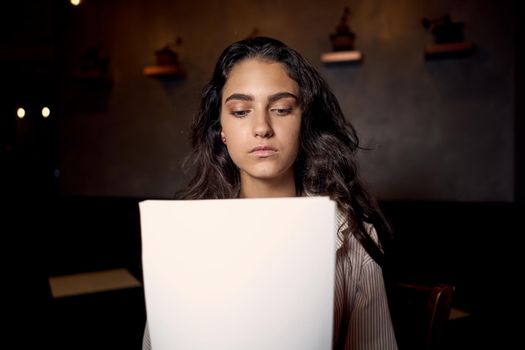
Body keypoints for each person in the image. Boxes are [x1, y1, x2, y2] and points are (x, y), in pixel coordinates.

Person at [142, 36, 398, 350]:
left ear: (303, 121)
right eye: (240, 111)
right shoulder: (181, 236)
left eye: (280, 109)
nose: (262, 127)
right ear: (220, 127)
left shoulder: (351, 237)